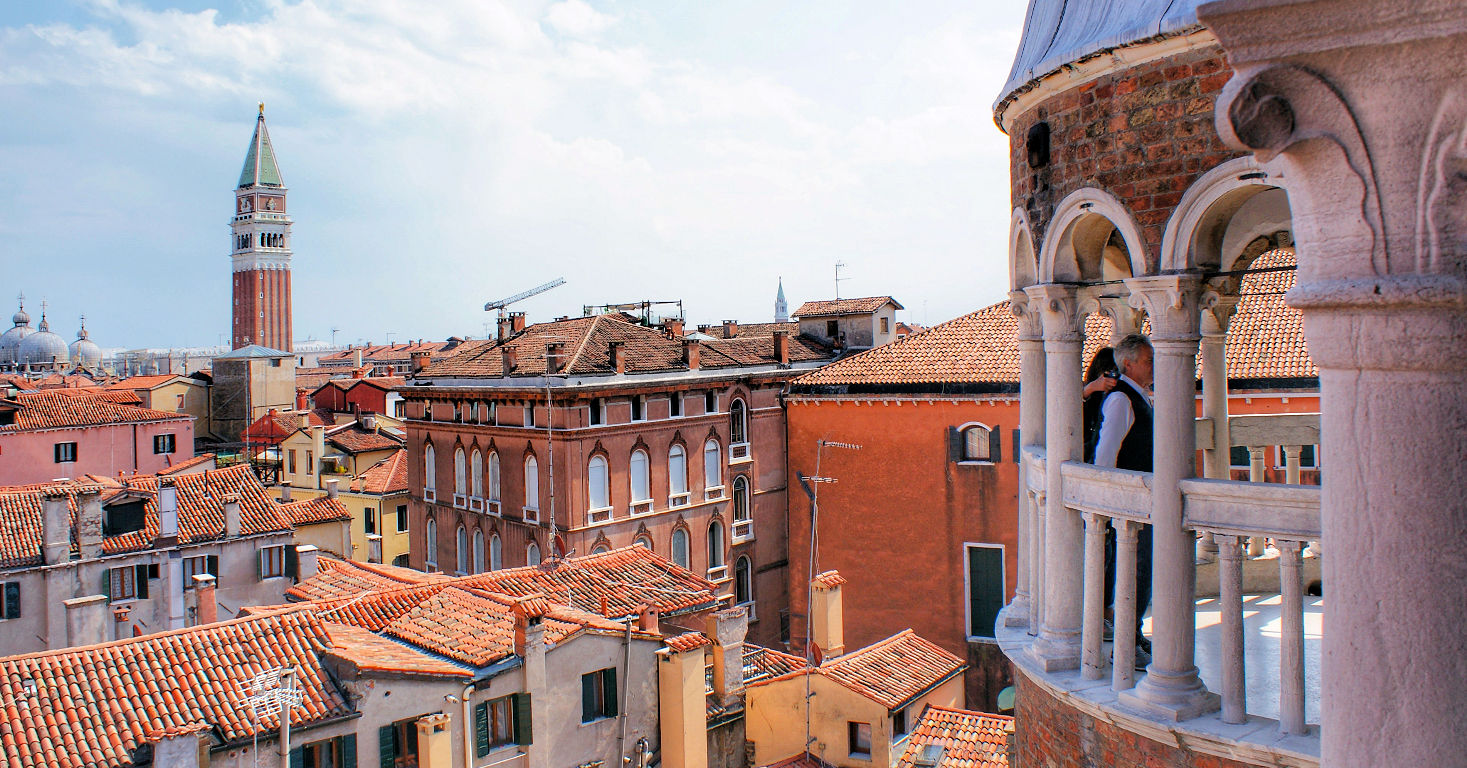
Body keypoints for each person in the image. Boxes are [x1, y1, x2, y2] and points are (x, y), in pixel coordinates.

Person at [1094, 333, 1155, 668]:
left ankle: (1134, 635)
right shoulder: (1121, 400)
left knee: (1141, 571)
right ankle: (1126, 644)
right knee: (1135, 570)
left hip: (1143, 501)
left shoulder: (1138, 396)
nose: (1153, 365)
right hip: (1131, 504)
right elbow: (1106, 454)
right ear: (1128, 363)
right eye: (1148, 360)